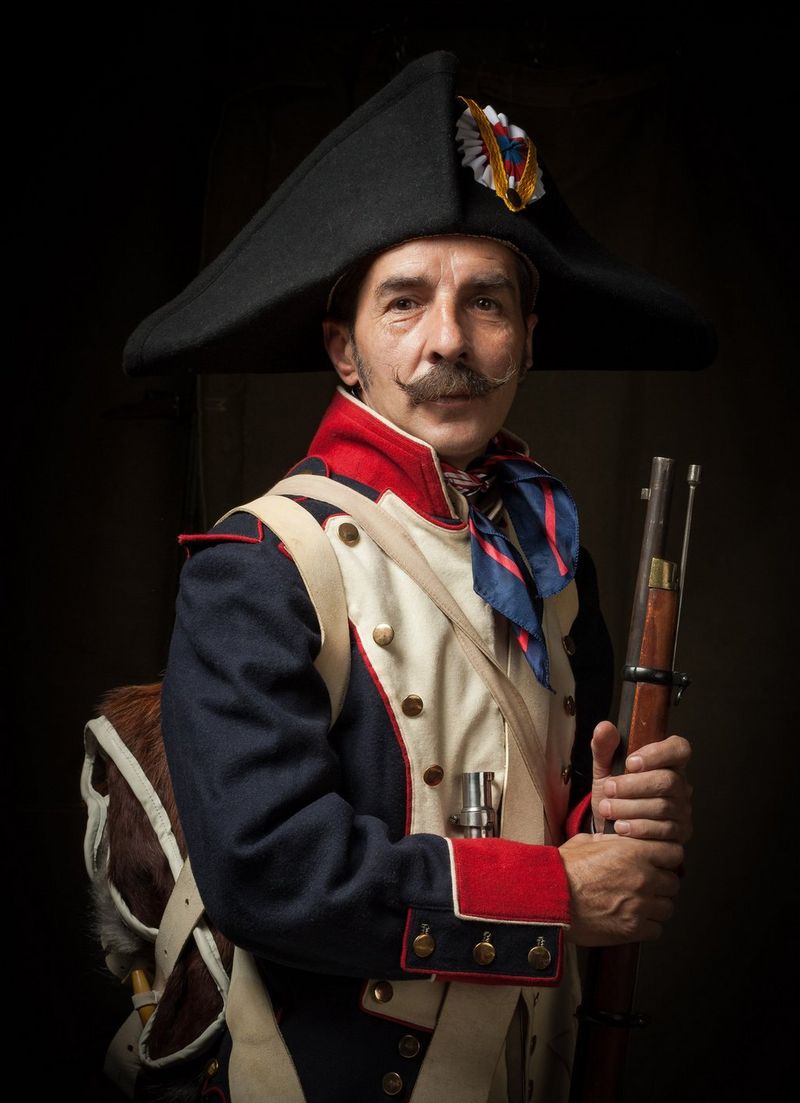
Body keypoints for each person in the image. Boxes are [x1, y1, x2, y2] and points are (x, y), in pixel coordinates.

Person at [118, 51, 711, 1103]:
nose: (449, 340)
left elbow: (538, 821)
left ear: (526, 337)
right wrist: (554, 890)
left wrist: (605, 826)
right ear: (344, 349)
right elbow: (266, 868)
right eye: (404, 303)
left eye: (484, 301)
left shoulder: (547, 544)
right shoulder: (260, 559)